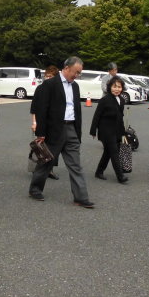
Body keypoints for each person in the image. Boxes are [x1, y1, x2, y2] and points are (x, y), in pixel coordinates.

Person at [29, 56, 94, 208]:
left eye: (79, 73)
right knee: (47, 162)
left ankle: (81, 197)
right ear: (66, 68)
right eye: (75, 72)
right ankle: (35, 189)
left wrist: (77, 132)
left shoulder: (75, 86)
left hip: (71, 129)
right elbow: (42, 109)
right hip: (54, 130)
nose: (77, 75)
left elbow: (76, 110)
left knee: (75, 165)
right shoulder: (50, 84)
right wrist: (41, 132)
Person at [90, 76, 128, 184]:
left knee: (108, 153)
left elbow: (120, 117)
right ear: (109, 87)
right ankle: (120, 176)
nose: (117, 89)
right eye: (114, 86)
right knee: (114, 152)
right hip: (105, 130)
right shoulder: (105, 100)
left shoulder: (121, 100)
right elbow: (97, 115)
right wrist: (93, 130)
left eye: (119, 87)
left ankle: (99, 171)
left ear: (122, 88)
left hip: (116, 130)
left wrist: (123, 132)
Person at [31, 65, 60, 180]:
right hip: (41, 122)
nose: (48, 78)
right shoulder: (40, 88)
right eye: (46, 76)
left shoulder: (58, 90)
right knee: (40, 147)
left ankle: (50, 169)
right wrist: (34, 122)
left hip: (54, 123)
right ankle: (37, 169)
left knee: (53, 148)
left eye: (50, 76)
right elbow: (34, 108)